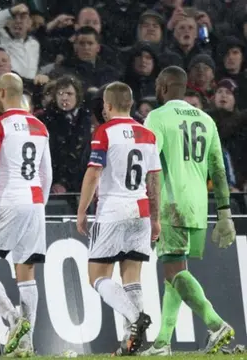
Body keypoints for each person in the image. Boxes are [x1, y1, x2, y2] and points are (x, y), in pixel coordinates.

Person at [142, 66, 236, 356]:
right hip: (198, 205)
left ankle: (215, 323)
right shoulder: (206, 120)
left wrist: (151, 211)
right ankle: (162, 343)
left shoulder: (156, 117)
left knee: (173, 270)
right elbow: (218, 170)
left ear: (165, 86)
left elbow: (150, 166)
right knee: (177, 272)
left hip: (172, 203)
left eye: (159, 82)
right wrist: (224, 213)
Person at [0, 73, 52, 357]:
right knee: (26, 273)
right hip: (35, 202)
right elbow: (46, 174)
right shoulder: (40, 126)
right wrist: (40, 204)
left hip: (8, 200)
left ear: (1, 92)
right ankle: (26, 346)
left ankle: (14, 321)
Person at [76, 82, 159, 356]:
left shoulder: (104, 131)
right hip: (141, 211)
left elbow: (93, 173)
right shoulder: (148, 134)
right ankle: (132, 341)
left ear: (108, 106)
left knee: (96, 277)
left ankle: (135, 318)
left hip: (113, 210)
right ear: (131, 105)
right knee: (131, 275)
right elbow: (154, 179)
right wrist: (156, 219)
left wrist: (82, 210)